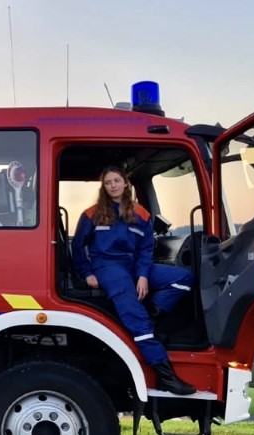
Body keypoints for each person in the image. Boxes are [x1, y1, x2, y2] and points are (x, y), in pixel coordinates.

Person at [71, 167, 196, 395]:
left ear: (125, 183)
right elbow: (77, 246)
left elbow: (146, 250)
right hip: (106, 266)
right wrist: (86, 273)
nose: (112, 186)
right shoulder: (91, 214)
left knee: (183, 278)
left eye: (116, 181)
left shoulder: (142, 215)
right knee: (137, 319)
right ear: (104, 187)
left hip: (133, 266)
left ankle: (152, 318)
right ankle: (166, 378)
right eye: (108, 183)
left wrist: (143, 276)